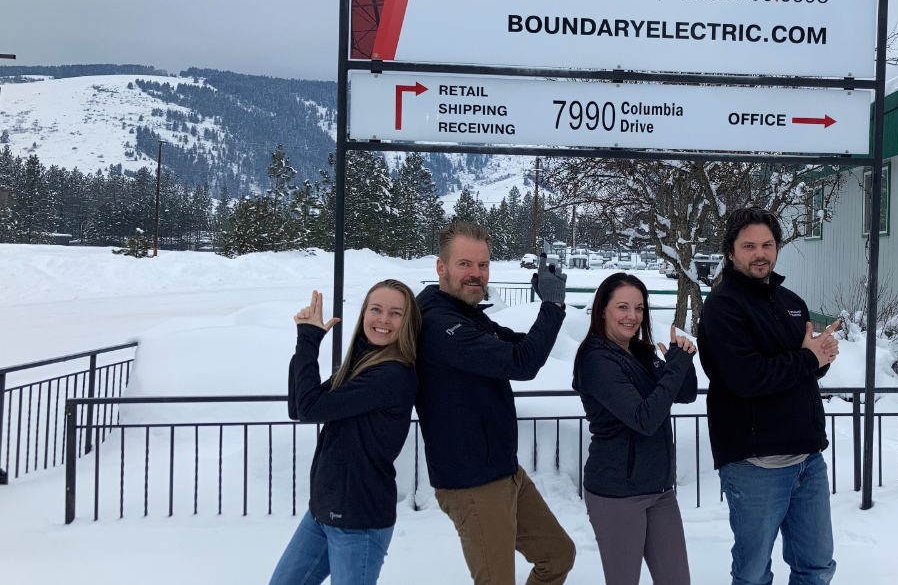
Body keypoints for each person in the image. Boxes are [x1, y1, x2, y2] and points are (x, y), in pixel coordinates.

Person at [414, 221, 575, 585]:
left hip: (503, 470)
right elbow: (522, 364)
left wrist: (551, 309)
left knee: (556, 556)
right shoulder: (439, 324)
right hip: (471, 482)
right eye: (465, 264)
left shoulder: (468, 316)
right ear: (441, 267)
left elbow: (520, 347)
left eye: (483, 265)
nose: (476, 274)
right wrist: (551, 306)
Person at [697, 208, 841, 585]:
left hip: (807, 459)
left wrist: (819, 356)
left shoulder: (789, 301)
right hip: (755, 466)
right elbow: (748, 377)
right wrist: (808, 357)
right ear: (730, 252)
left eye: (767, 244)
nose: (760, 253)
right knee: (753, 573)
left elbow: (802, 366)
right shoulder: (722, 306)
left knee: (817, 567)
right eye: (749, 246)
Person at [270, 281, 420, 585]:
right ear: (364, 313)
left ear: (408, 323)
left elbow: (311, 407)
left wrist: (309, 342)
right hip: (324, 513)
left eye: (395, 313)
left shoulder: (391, 375)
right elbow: (300, 408)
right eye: (376, 309)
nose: (382, 319)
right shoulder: (362, 365)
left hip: (358, 521)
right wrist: (305, 345)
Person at [573, 272, 698, 585]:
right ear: (603, 310)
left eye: (639, 308)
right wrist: (676, 366)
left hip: (659, 489)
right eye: (623, 307)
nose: (632, 317)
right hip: (618, 493)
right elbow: (645, 418)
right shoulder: (596, 360)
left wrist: (681, 360)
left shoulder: (641, 353)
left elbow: (684, 393)